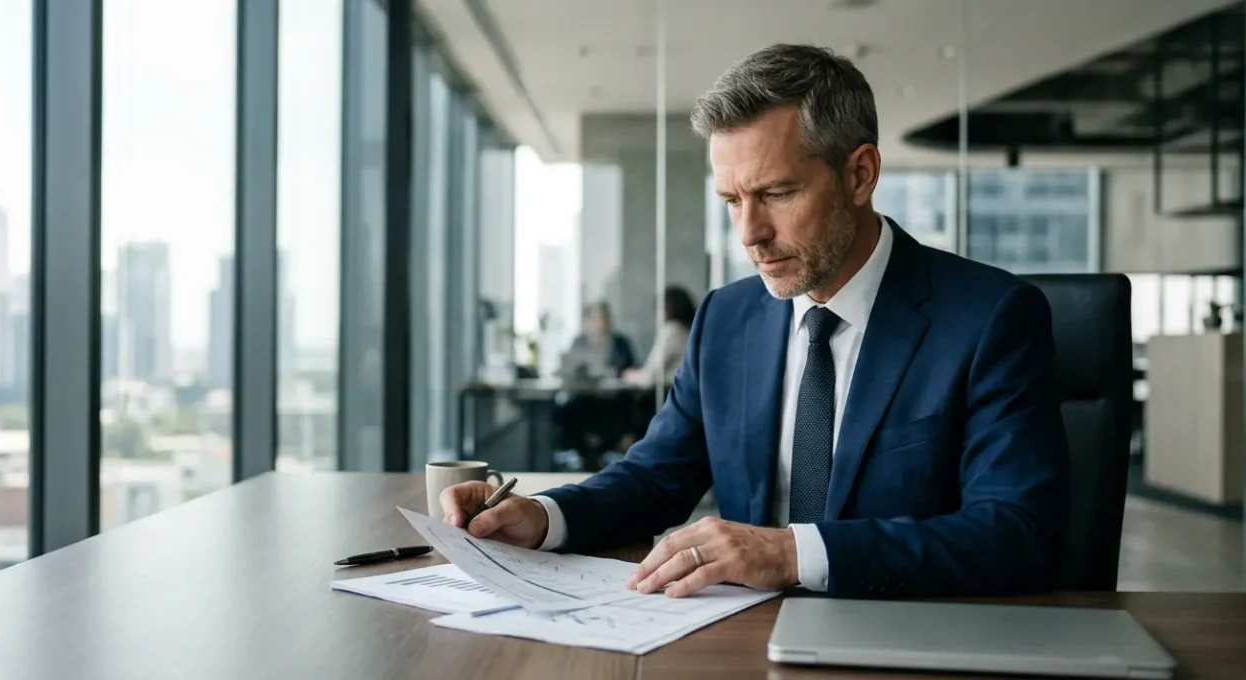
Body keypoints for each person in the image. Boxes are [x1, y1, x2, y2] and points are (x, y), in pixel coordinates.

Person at [442, 44, 1069, 600]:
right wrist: (544, 515)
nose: (750, 234)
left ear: (860, 174)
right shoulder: (726, 318)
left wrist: (789, 553)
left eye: (776, 194)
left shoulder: (988, 318)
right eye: (732, 201)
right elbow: (656, 477)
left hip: (909, 640)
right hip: (739, 641)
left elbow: (1018, 531)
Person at [622, 286, 697, 386]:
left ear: (669, 308)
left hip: (671, 394)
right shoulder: (688, 331)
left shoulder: (671, 331)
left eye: (660, 308)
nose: (657, 314)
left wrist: (630, 376)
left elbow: (650, 377)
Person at [568, 301, 637, 377]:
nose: (601, 323)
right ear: (591, 320)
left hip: (616, 387)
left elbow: (633, 369)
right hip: (585, 387)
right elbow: (570, 368)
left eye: (604, 318)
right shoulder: (579, 342)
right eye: (596, 318)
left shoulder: (621, 344)